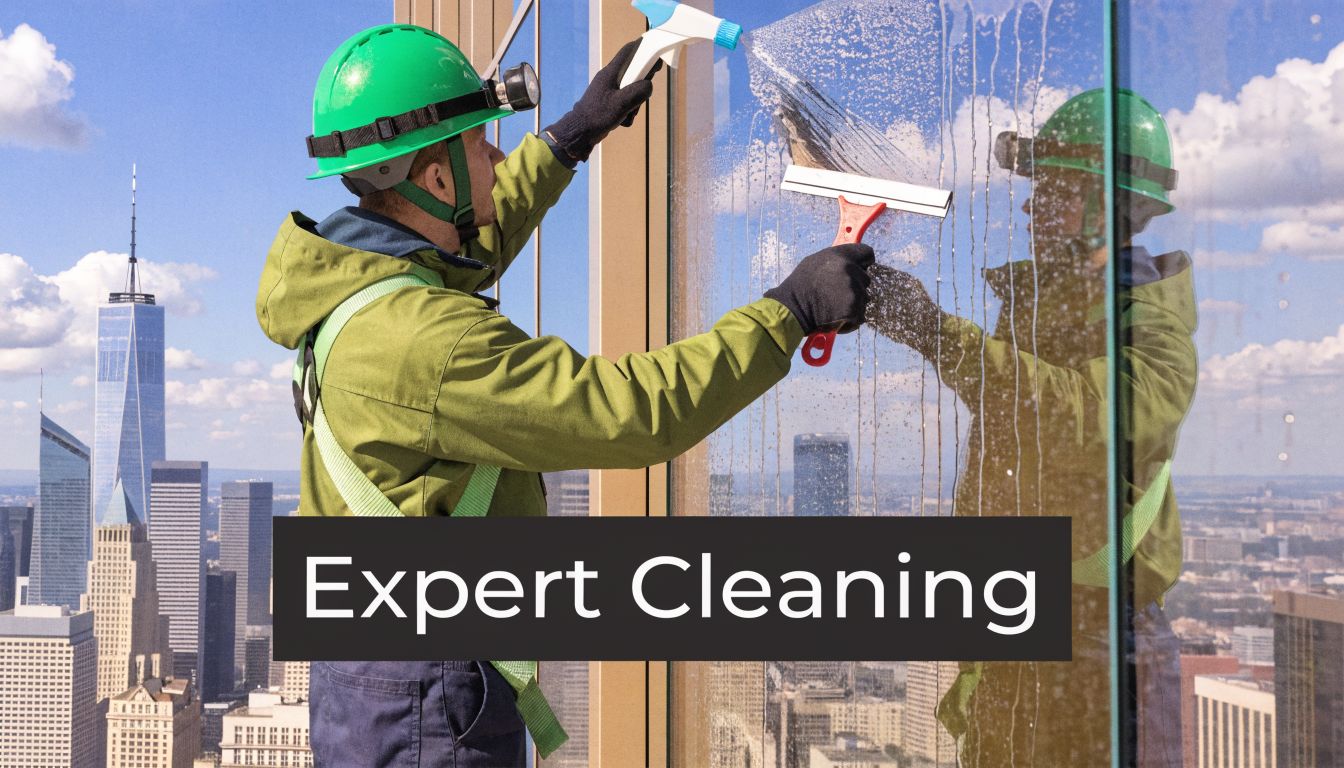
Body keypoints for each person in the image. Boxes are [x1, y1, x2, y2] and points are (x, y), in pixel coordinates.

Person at [255, 24, 874, 768]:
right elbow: (633, 413)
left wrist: (573, 135)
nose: (496, 155)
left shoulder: (358, 281)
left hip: (372, 673)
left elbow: (469, 246)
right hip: (424, 701)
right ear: (435, 179)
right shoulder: (423, 339)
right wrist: (789, 312)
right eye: (481, 143)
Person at [868, 88, 1194, 767]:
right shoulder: (1052, 313)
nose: (1028, 206)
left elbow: (1082, 418)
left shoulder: (1154, 331)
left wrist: (934, 333)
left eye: (1050, 191)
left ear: (1102, 207)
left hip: (1100, 642)